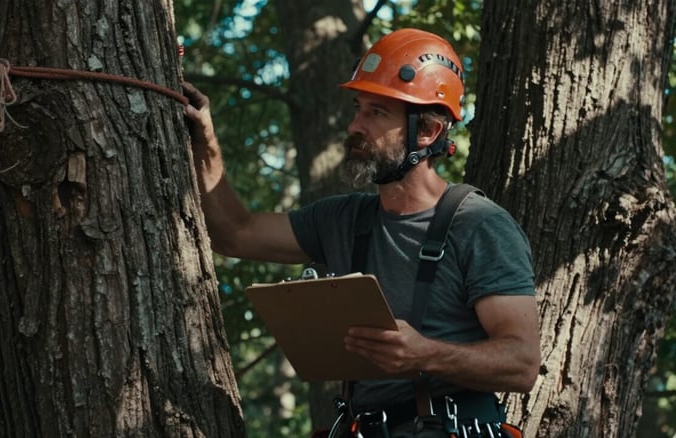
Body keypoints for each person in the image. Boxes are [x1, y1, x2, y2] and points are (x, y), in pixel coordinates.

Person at [182, 28, 540, 438]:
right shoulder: (343, 219)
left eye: (377, 113)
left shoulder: (479, 225)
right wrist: (204, 139)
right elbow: (236, 234)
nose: (355, 125)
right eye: (358, 108)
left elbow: (522, 363)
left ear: (427, 131)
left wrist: (426, 354)